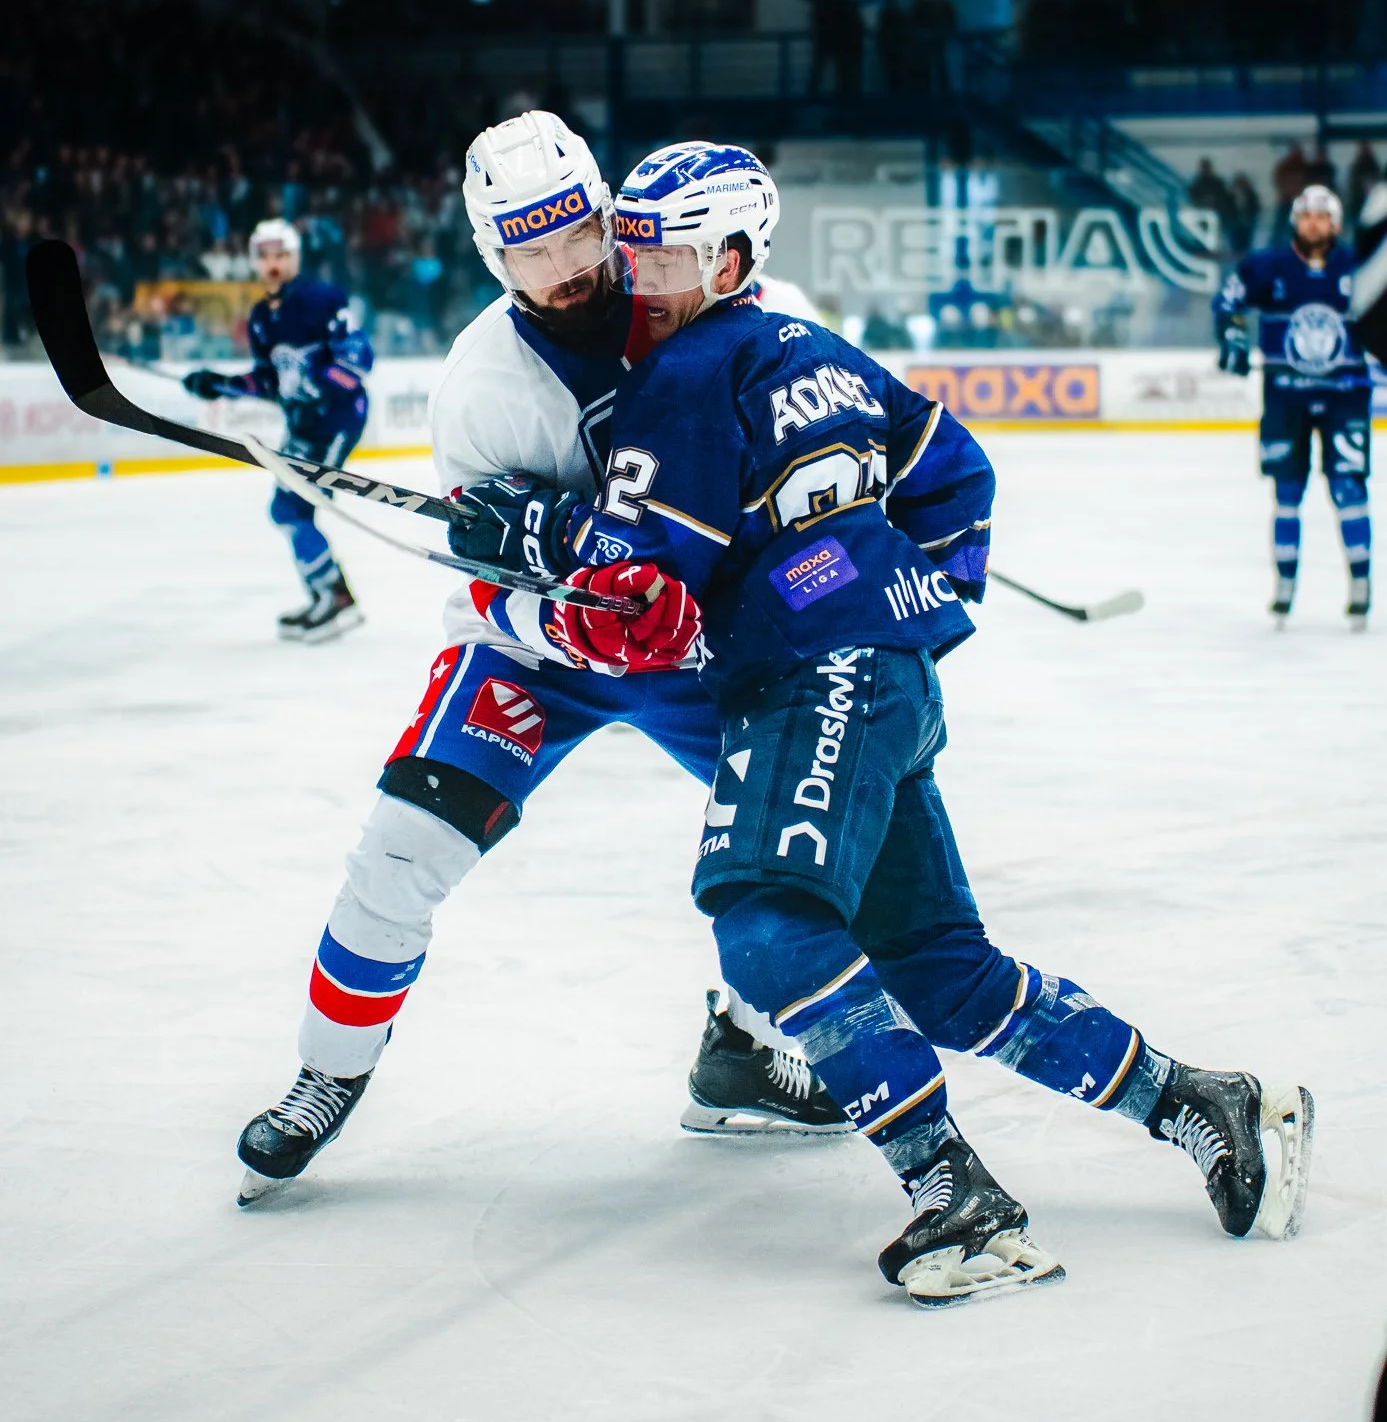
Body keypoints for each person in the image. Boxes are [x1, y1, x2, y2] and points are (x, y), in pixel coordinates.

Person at [464, 142, 1314, 1308]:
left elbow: (632, 594)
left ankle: (954, 1192)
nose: (632, 272)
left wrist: (531, 535)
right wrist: (897, 588)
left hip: (814, 682)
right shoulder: (817, 350)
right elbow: (955, 476)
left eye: (658, 250)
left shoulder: (679, 376)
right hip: (888, 679)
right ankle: (1196, 1100)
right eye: (633, 244)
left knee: (764, 927)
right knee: (943, 972)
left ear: (729, 255)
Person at [233, 115, 852, 1209]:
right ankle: (324, 1073)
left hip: (700, 645)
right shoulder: (481, 383)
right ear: (491, 251)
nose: (564, 266)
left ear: (607, 209)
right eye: (528, 245)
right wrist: (566, 627)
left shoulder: (714, 301)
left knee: (806, 830)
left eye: (575, 231)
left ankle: (748, 1051)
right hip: (541, 660)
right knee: (398, 850)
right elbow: (479, 580)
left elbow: (814, 475)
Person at [182, 217, 371, 642]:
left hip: (335, 419)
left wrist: (318, 387)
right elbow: (270, 382)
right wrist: (220, 384)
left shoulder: (320, 299)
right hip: (305, 423)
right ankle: (330, 597)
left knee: (292, 509)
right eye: (265, 255)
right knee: (287, 511)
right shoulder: (261, 318)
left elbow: (359, 360)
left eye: (281, 254)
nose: (273, 263)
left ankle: (336, 601)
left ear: (294, 258)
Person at [1214, 184, 1372, 626]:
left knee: (1349, 493)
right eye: (1307, 216)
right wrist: (1230, 331)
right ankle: (1285, 587)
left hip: (1347, 397)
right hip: (1286, 400)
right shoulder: (1268, 267)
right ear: (1295, 222)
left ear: (1336, 224)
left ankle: (1361, 585)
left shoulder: (1361, 267)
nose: (1314, 223)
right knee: (1287, 495)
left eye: (1323, 217)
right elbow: (1227, 300)